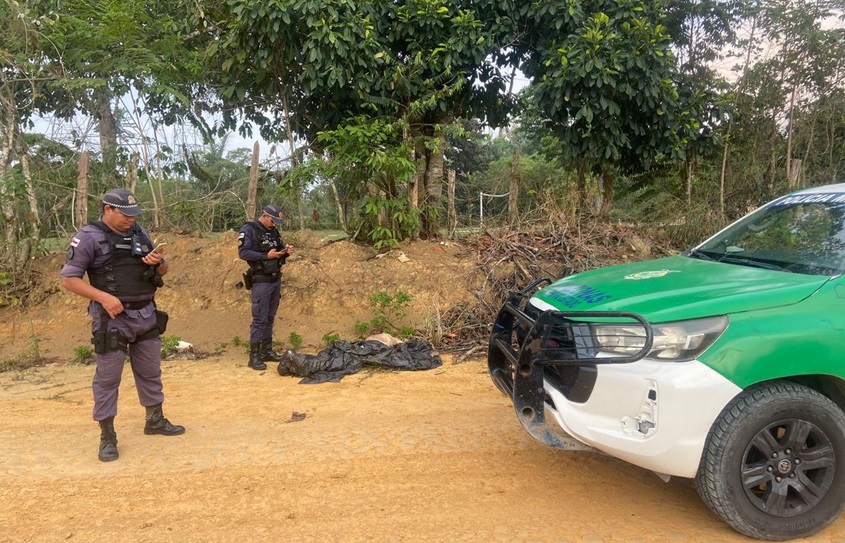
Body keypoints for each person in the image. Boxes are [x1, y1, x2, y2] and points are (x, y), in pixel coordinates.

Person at [60, 188, 185, 462]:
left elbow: (163, 269)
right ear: (108, 209)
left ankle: (155, 420)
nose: (130, 219)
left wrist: (159, 262)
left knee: (151, 371)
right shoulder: (89, 237)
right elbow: (69, 278)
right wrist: (104, 297)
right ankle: (107, 435)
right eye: (125, 214)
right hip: (112, 320)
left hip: (146, 315)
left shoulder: (139, 232)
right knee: (108, 379)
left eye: (133, 214)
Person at [238, 203, 294, 370]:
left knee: (270, 317)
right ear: (266, 216)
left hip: (275, 279)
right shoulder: (249, 229)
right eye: (273, 220)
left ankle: (266, 350)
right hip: (261, 280)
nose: (275, 224)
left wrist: (285, 251)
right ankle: (254, 356)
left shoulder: (273, 232)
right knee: (259, 319)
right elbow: (243, 253)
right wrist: (265, 255)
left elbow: (276, 253)